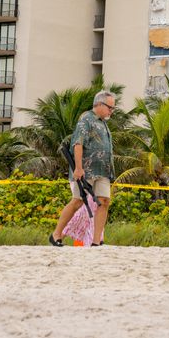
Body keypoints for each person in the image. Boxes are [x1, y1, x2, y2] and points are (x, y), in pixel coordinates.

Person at [49, 90, 117, 247]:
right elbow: (77, 143)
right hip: (87, 171)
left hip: (103, 171)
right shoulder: (86, 119)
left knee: (104, 201)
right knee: (77, 202)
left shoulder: (102, 122)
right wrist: (78, 168)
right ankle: (56, 234)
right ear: (99, 104)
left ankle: (96, 241)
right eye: (109, 107)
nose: (111, 111)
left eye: (113, 108)